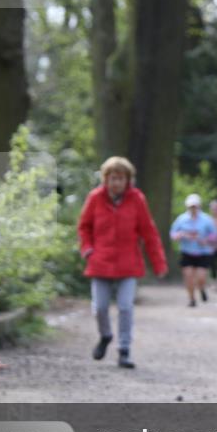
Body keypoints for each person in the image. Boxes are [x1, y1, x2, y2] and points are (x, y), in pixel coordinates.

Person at [77, 156, 167, 369]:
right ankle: (106, 335)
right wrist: (87, 249)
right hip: (100, 262)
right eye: (113, 178)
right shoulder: (95, 198)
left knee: (126, 307)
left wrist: (159, 263)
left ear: (128, 180)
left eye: (121, 178)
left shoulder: (137, 199)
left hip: (128, 264)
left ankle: (124, 350)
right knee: (99, 307)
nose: (117, 182)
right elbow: (84, 227)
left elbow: (149, 233)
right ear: (105, 179)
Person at [170, 193, 217, 307]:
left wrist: (206, 240)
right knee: (188, 276)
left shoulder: (207, 219)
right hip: (187, 252)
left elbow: (215, 234)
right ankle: (192, 299)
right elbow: (172, 233)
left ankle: (202, 289)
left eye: (195, 206)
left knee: (201, 278)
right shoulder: (181, 219)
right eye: (191, 206)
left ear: (199, 206)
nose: (193, 209)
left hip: (203, 252)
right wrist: (181, 235)